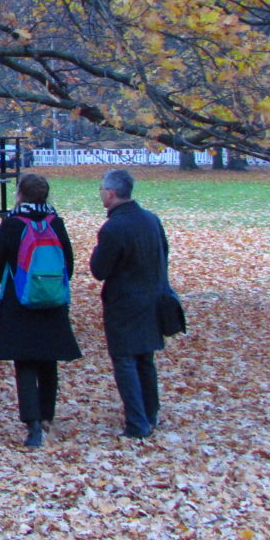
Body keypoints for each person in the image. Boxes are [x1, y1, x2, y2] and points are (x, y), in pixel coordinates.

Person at [0, 173, 82, 448]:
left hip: (19, 300)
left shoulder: (12, 223)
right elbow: (68, 264)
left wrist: (10, 284)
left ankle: (33, 426)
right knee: (48, 360)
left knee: (25, 362)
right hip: (52, 301)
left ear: (20, 194)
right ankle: (47, 415)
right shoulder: (55, 222)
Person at [89, 168, 171, 439]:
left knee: (125, 360)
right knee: (145, 358)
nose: (101, 194)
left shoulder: (113, 228)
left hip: (124, 303)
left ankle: (137, 423)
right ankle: (150, 413)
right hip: (152, 297)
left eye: (102, 189)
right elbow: (163, 254)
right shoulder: (151, 220)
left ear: (111, 193)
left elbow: (99, 270)